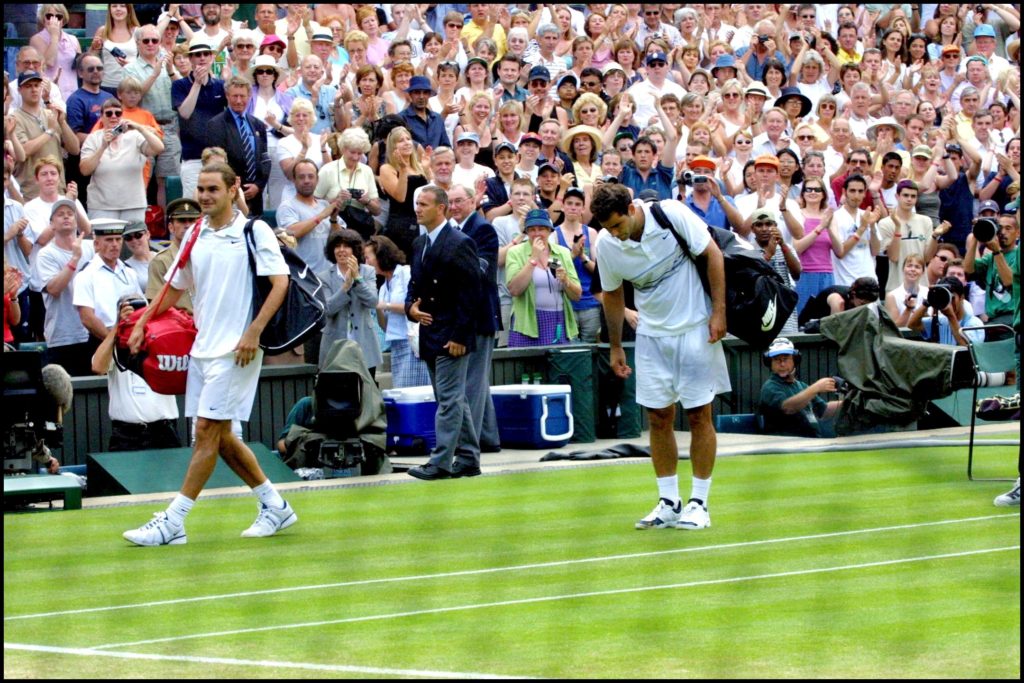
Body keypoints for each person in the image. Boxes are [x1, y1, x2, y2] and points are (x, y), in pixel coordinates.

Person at [123, 162, 296, 546]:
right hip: (202, 349)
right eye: (201, 189)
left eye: (212, 189)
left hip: (238, 351)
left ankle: (174, 521)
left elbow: (279, 283)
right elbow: (172, 289)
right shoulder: (195, 232)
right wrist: (142, 321)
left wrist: (254, 331)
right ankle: (276, 506)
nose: (204, 196)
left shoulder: (255, 230)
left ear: (233, 189)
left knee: (205, 432)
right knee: (220, 437)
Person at [591, 182, 730, 530]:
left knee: (699, 415)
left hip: (696, 328)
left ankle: (699, 503)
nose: (615, 235)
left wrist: (719, 312)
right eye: (608, 229)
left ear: (632, 210)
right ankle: (669, 501)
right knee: (658, 418)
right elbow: (612, 294)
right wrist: (616, 345)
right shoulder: (607, 244)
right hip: (652, 336)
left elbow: (713, 254)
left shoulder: (671, 213)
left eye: (618, 225)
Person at [404, 186, 482, 481]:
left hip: (452, 333)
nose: (418, 209)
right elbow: (415, 285)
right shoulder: (419, 244)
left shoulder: (460, 243)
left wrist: (461, 336)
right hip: (429, 331)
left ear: (442, 208)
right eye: (417, 203)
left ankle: (440, 462)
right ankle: (468, 458)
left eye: (424, 204)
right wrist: (410, 307)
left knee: (449, 400)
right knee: (452, 399)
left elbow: (472, 293)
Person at [447, 183, 502, 453]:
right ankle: (488, 438)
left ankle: (469, 445)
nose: (454, 206)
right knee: (477, 381)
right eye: (451, 202)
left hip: (479, 316)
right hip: (465, 315)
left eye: (459, 201)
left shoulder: (482, 229)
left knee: (472, 382)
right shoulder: (454, 231)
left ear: (472, 201)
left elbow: (479, 273)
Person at [32, 199, 96, 376]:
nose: (66, 217)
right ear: (52, 223)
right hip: (62, 337)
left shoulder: (92, 248)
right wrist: (74, 259)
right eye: (60, 214)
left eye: (70, 214)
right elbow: (53, 289)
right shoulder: (46, 254)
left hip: (92, 333)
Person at [505, 209, 582, 347]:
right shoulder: (516, 252)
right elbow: (514, 290)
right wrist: (533, 258)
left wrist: (566, 281)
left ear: (549, 230)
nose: (537, 233)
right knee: (529, 368)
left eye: (541, 229)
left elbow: (577, 295)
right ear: (526, 232)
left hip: (558, 320)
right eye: (532, 229)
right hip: (527, 323)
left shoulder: (560, 253)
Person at [79, 98, 164, 223]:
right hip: (102, 206)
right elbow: (85, 170)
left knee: (133, 242)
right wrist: (103, 146)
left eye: (118, 113)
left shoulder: (134, 136)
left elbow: (159, 148)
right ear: (102, 117)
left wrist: (139, 128)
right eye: (109, 113)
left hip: (133, 205)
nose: (113, 117)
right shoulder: (93, 138)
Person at [364, 235, 429, 388]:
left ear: (381, 255)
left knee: (414, 390)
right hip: (396, 343)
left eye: (368, 258)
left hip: (412, 341)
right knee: (401, 390)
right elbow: (384, 325)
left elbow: (414, 306)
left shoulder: (406, 272)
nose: (366, 263)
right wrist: (375, 306)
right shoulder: (381, 287)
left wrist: (385, 305)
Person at [318, 229, 381, 374]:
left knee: (366, 391)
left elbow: (372, 301)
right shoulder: (324, 277)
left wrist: (357, 279)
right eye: (337, 246)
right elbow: (327, 309)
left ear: (355, 249)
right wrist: (345, 287)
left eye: (346, 246)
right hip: (334, 345)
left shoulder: (367, 272)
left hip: (364, 342)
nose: (341, 250)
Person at [206, 77, 272, 217]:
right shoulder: (216, 124)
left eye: (242, 96)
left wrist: (258, 186)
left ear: (249, 96)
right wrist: (235, 188)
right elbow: (218, 163)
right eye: (234, 96)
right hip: (230, 193)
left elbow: (265, 159)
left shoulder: (258, 125)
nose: (238, 100)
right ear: (227, 96)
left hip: (255, 194)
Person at [172, 37, 227, 200]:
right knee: (193, 206)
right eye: (197, 55)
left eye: (205, 54)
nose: (202, 58)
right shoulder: (179, 85)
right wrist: (196, 83)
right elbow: (185, 113)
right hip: (192, 157)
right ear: (190, 59)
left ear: (211, 57)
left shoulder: (219, 85)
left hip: (217, 157)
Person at [12, 71, 80, 201]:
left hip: (58, 190)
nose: (34, 89)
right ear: (19, 90)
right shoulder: (14, 118)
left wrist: (62, 122)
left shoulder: (51, 115)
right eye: (28, 86)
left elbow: (75, 149)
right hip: (30, 193)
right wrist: (49, 131)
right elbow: (24, 151)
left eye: (37, 85)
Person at [757, 337, 842, 438]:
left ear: (795, 360)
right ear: (770, 364)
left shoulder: (801, 386)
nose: (782, 364)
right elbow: (788, 407)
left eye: (786, 359)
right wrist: (815, 388)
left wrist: (849, 402)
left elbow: (824, 410)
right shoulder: (770, 387)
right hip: (785, 444)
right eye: (776, 360)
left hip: (811, 441)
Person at [875, 179, 939, 294]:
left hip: (921, 288)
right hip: (896, 288)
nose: (909, 199)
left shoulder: (925, 221)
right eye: (905, 195)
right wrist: (898, 228)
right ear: (897, 196)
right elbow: (893, 257)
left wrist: (935, 236)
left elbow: (927, 258)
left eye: (913, 196)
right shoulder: (885, 223)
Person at [379, 126, 431, 262]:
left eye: (408, 139)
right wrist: (402, 169)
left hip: (422, 222)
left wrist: (427, 169)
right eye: (401, 140)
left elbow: (430, 192)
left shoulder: (418, 166)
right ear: (393, 146)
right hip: (401, 224)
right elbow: (400, 197)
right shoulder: (387, 168)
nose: (407, 142)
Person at [278, 159, 336, 277]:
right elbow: (289, 234)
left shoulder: (324, 205)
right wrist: (321, 216)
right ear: (294, 180)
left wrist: (334, 219)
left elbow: (339, 238)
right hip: (304, 276)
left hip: (329, 274)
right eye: (301, 177)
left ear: (317, 179)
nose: (306, 181)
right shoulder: (287, 206)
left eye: (311, 176)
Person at [964, 212, 1019, 330]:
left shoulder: (1017, 255)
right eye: (1000, 228)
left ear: (1018, 233)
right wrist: (976, 235)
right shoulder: (991, 258)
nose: (1003, 232)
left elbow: (1009, 281)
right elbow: (968, 269)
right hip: (993, 319)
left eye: (1008, 228)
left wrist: (996, 251)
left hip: (1012, 318)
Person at [750, 208, 801, 335]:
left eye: (768, 224)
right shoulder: (747, 250)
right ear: (752, 229)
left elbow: (796, 274)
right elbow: (752, 279)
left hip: (784, 311)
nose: (764, 228)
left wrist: (782, 245)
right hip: (759, 312)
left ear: (775, 226)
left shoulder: (786, 248)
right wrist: (768, 254)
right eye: (759, 225)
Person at [146, 198, 200, 312]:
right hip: (180, 323)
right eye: (181, 221)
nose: (187, 225)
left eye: (192, 221)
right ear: (171, 227)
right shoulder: (161, 261)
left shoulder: (206, 255)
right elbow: (155, 306)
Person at [908, 276, 985, 346]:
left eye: (952, 298)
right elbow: (912, 324)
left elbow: (967, 348)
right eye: (945, 298)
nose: (949, 302)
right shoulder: (941, 321)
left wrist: (951, 316)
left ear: (962, 297)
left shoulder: (975, 323)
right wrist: (928, 301)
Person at [399, 75, 451, 151]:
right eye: (417, 92)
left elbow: (446, 146)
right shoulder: (401, 119)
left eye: (425, 92)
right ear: (410, 94)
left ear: (429, 95)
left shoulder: (437, 118)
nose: (421, 96)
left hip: (436, 161)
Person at [884, 254, 929, 327]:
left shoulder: (928, 292)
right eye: (909, 266)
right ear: (903, 269)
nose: (913, 269)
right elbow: (895, 328)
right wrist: (908, 309)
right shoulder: (892, 296)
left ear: (923, 272)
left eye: (917, 267)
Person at [121, 223, 153, 290]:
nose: (134, 240)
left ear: (147, 234)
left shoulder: (161, 257)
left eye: (138, 235)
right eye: (128, 238)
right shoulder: (125, 267)